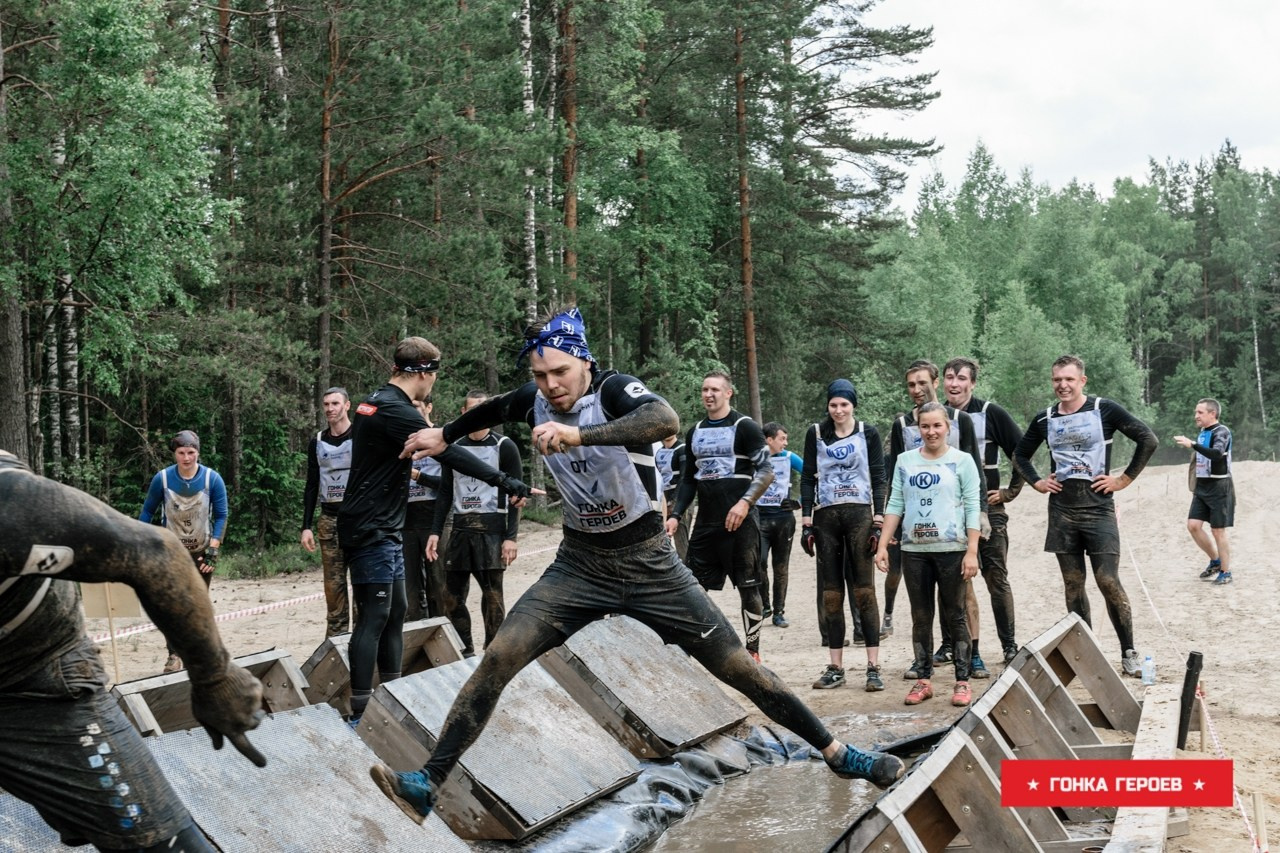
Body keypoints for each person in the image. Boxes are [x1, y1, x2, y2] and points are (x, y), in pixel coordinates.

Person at [371, 307, 904, 824]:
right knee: (498, 658)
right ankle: (427, 784)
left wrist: (578, 435)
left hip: (651, 565)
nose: (551, 384)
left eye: (561, 372)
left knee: (739, 668)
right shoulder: (534, 398)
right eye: (541, 374)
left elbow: (664, 418)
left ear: (584, 362)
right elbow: (491, 411)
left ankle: (837, 753)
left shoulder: (612, 390)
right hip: (578, 566)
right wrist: (446, 434)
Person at [1, 449, 266, 852]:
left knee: (162, 843)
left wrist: (214, 676)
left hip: (35, 679)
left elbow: (154, 553)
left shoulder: (9, 505)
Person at [337, 337, 532, 725]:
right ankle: (359, 711)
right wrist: (506, 481)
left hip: (386, 523)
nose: (433, 385)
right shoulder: (397, 411)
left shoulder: (373, 400)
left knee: (396, 612)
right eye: (434, 377)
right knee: (375, 615)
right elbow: (452, 455)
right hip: (370, 526)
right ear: (425, 373)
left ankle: (390, 697)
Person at [1013, 355, 1158, 678]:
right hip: (1062, 511)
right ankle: (1087, 655)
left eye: (1068, 379)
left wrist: (1123, 479)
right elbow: (1020, 454)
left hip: (1099, 509)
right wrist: (1037, 482)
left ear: (1082, 381)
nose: (1062, 385)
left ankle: (1128, 651)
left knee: (1108, 580)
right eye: (1056, 380)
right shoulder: (1045, 418)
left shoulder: (1103, 409)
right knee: (1073, 584)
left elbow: (1148, 439)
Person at [881, 360, 986, 680]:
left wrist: (978, 527)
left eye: (922, 383)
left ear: (936, 382)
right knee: (922, 610)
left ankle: (973, 658)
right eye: (910, 384)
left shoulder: (961, 420)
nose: (917, 389)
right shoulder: (901, 425)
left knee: (962, 600)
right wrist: (888, 534)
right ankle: (929, 660)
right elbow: (894, 487)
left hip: (956, 531)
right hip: (916, 535)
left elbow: (975, 479)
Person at [669, 370, 773, 662]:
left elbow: (766, 471)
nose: (709, 395)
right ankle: (691, 647)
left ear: (728, 393)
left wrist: (744, 503)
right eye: (704, 390)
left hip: (741, 522)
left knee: (748, 586)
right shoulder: (696, 431)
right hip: (707, 523)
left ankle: (752, 650)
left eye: (715, 389)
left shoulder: (745, 426)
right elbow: (688, 479)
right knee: (692, 588)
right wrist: (676, 514)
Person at [799, 380, 888, 692]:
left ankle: (873, 666)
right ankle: (836, 667)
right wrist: (806, 521)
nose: (838, 410)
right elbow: (808, 476)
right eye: (833, 405)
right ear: (828, 406)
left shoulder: (868, 432)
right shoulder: (815, 433)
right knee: (831, 594)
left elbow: (879, 475)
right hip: (826, 518)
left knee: (865, 592)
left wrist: (879, 521)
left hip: (860, 515)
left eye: (844, 405)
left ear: (853, 406)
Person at [428, 390, 524, 656]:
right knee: (451, 596)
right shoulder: (453, 446)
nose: (477, 416)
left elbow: (518, 495)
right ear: (463, 413)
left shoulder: (505, 446)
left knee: (493, 598)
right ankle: (464, 651)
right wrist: (436, 531)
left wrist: (511, 537)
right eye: (472, 411)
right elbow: (446, 491)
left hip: (492, 529)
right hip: (460, 529)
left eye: (482, 410)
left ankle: (493, 652)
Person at [943, 357, 1025, 665]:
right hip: (948, 512)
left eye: (962, 378)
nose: (955, 383)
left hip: (988, 511)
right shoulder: (938, 416)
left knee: (995, 577)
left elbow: (1022, 450)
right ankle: (952, 646)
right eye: (950, 377)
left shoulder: (990, 413)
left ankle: (1009, 645)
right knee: (952, 581)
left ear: (972, 383)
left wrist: (1011, 490)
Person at [139, 430, 228, 673]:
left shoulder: (212, 479)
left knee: (197, 605)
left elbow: (221, 515)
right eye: (181, 453)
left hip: (201, 551)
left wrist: (214, 549)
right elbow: (147, 512)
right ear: (174, 454)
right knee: (172, 606)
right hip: (171, 553)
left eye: (191, 452)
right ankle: (173, 655)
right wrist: (144, 540)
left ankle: (200, 654)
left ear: (198, 452)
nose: (186, 458)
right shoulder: (163, 479)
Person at [301, 387, 358, 637]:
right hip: (329, 520)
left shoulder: (361, 435)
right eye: (326, 404)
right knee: (333, 588)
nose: (330, 409)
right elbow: (311, 484)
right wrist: (306, 525)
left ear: (347, 405)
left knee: (362, 585)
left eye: (335, 403)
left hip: (358, 521)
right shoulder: (318, 441)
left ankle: (363, 641)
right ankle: (334, 641)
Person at [1174, 398, 1234, 585]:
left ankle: (1226, 572)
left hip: (1219, 487)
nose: (1196, 416)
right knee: (1193, 525)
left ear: (1212, 414)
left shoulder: (1222, 431)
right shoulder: (1203, 432)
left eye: (1200, 413)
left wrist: (1192, 445)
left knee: (1218, 531)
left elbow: (1216, 454)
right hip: (1202, 487)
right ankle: (1215, 560)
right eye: (1196, 412)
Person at [405, 397, 445, 621]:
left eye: (416, 408)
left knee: (438, 587)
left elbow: (448, 485)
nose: (412, 413)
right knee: (410, 592)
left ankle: (444, 641)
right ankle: (417, 645)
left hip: (435, 520)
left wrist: (419, 477)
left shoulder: (441, 438)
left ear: (429, 408)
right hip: (406, 522)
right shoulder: (402, 441)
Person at [758, 422, 802, 629]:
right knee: (759, 562)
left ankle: (779, 612)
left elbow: (813, 475)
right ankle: (764, 605)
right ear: (769, 440)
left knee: (781, 566)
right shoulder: (755, 458)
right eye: (782, 438)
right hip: (760, 518)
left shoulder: (789, 457)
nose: (785, 442)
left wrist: (800, 501)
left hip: (784, 519)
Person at [655, 433, 690, 561]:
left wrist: (675, 502)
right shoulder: (658, 452)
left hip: (680, 499)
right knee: (662, 537)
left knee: (681, 540)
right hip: (662, 499)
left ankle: (688, 571)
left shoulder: (682, 449)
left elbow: (684, 477)